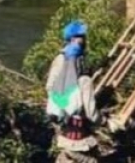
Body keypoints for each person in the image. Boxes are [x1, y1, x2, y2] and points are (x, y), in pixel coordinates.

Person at [46, 21, 102, 162]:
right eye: (81, 36)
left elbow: (50, 87)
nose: (84, 40)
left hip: (63, 129)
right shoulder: (84, 80)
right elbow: (92, 114)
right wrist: (106, 121)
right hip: (79, 137)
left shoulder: (60, 59)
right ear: (73, 39)